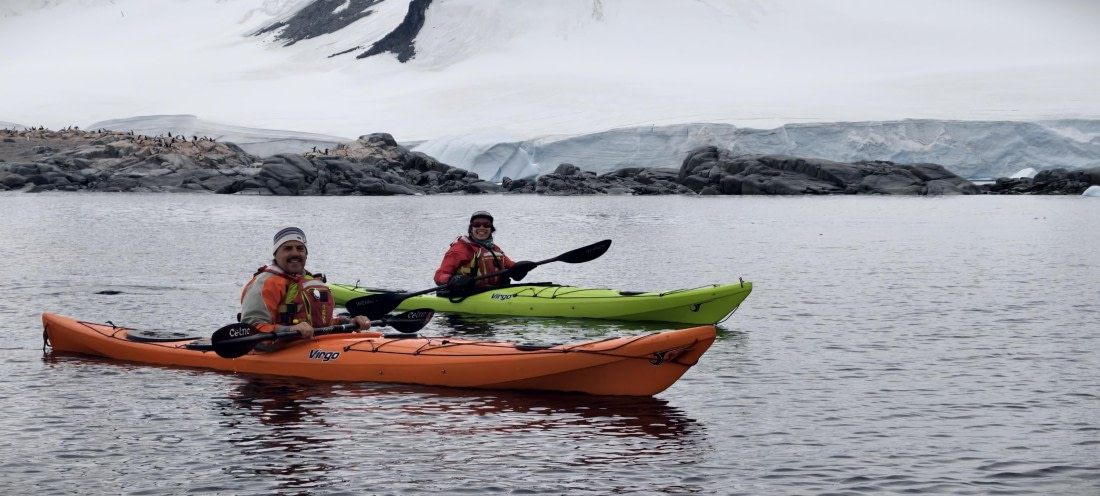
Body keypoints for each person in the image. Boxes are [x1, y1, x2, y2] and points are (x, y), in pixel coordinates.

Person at [240, 226, 370, 344]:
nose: (295, 253)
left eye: (300, 248)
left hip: (312, 346)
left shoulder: (311, 282)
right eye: (287, 248)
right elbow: (252, 329)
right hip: (278, 350)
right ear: (276, 254)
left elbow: (323, 324)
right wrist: (290, 330)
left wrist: (349, 322)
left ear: (306, 254)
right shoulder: (265, 283)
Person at [433, 211, 537, 290]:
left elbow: (510, 266)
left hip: (495, 293)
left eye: (486, 225)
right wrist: (452, 279)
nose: (482, 228)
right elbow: (439, 276)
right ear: (471, 229)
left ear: (491, 229)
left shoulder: (495, 249)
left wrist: (521, 268)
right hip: (467, 295)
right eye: (477, 225)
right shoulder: (459, 249)